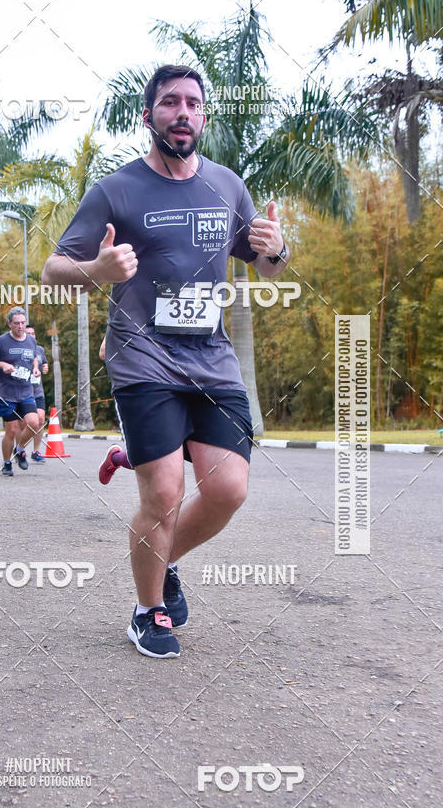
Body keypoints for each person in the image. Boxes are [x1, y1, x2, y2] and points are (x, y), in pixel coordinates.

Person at [42, 64, 290, 658]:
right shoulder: (115, 190)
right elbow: (54, 268)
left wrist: (278, 250)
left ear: (203, 117)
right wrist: (95, 272)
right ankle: (147, 609)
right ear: (148, 115)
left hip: (212, 360)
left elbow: (265, 262)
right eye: (170, 102)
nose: (183, 112)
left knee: (229, 489)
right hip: (142, 358)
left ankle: (159, 558)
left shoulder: (227, 186)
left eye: (193, 104)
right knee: (164, 494)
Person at [0, 307, 40, 477]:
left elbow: (34, 357)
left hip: (25, 391)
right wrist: (2, 365)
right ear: (10, 324)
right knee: (12, 430)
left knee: (34, 423)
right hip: (6, 393)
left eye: (23, 323)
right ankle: (7, 462)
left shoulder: (31, 341)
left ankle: (20, 448)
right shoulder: (1, 342)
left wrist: (35, 368)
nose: (20, 326)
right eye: (16, 323)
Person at [97, 336, 133, 483]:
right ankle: (115, 458)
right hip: (136, 389)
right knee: (144, 459)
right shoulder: (127, 316)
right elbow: (103, 352)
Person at [24, 324, 49, 463]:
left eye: (33, 333)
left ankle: (35, 451)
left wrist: (45, 368)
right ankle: (20, 449)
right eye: (28, 333)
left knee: (40, 420)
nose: (31, 336)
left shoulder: (40, 350)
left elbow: (44, 364)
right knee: (24, 423)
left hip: (38, 391)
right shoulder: (20, 350)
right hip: (22, 392)